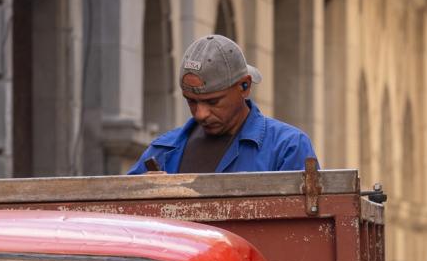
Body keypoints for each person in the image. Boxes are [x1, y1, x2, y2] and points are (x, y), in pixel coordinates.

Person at [127, 34, 317, 175]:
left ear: (244, 86)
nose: (200, 114)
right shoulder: (162, 151)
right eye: (191, 101)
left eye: (213, 101)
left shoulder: (286, 148)